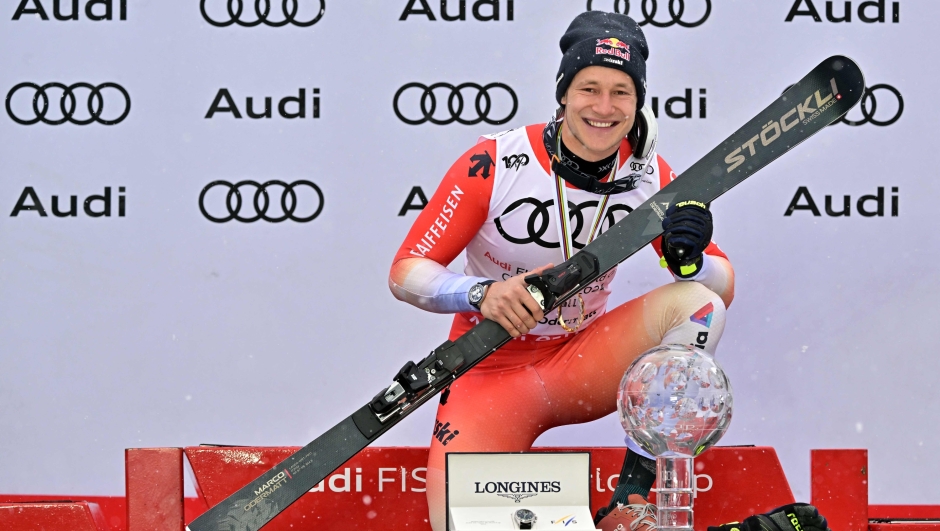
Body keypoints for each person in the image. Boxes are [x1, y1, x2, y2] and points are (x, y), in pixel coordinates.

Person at [388, 11, 735, 531]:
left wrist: (693, 260)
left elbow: (721, 286)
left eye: (622, 92)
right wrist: (480, 293)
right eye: (588, 88)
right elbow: (406, 272)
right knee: (459, 523)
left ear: (638, 102)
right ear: (563, 94)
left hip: (581, 362)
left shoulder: (648, 174)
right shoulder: (496, 163)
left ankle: (633, 496)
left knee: (696, 303)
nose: (603, 107)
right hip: (491, 369)